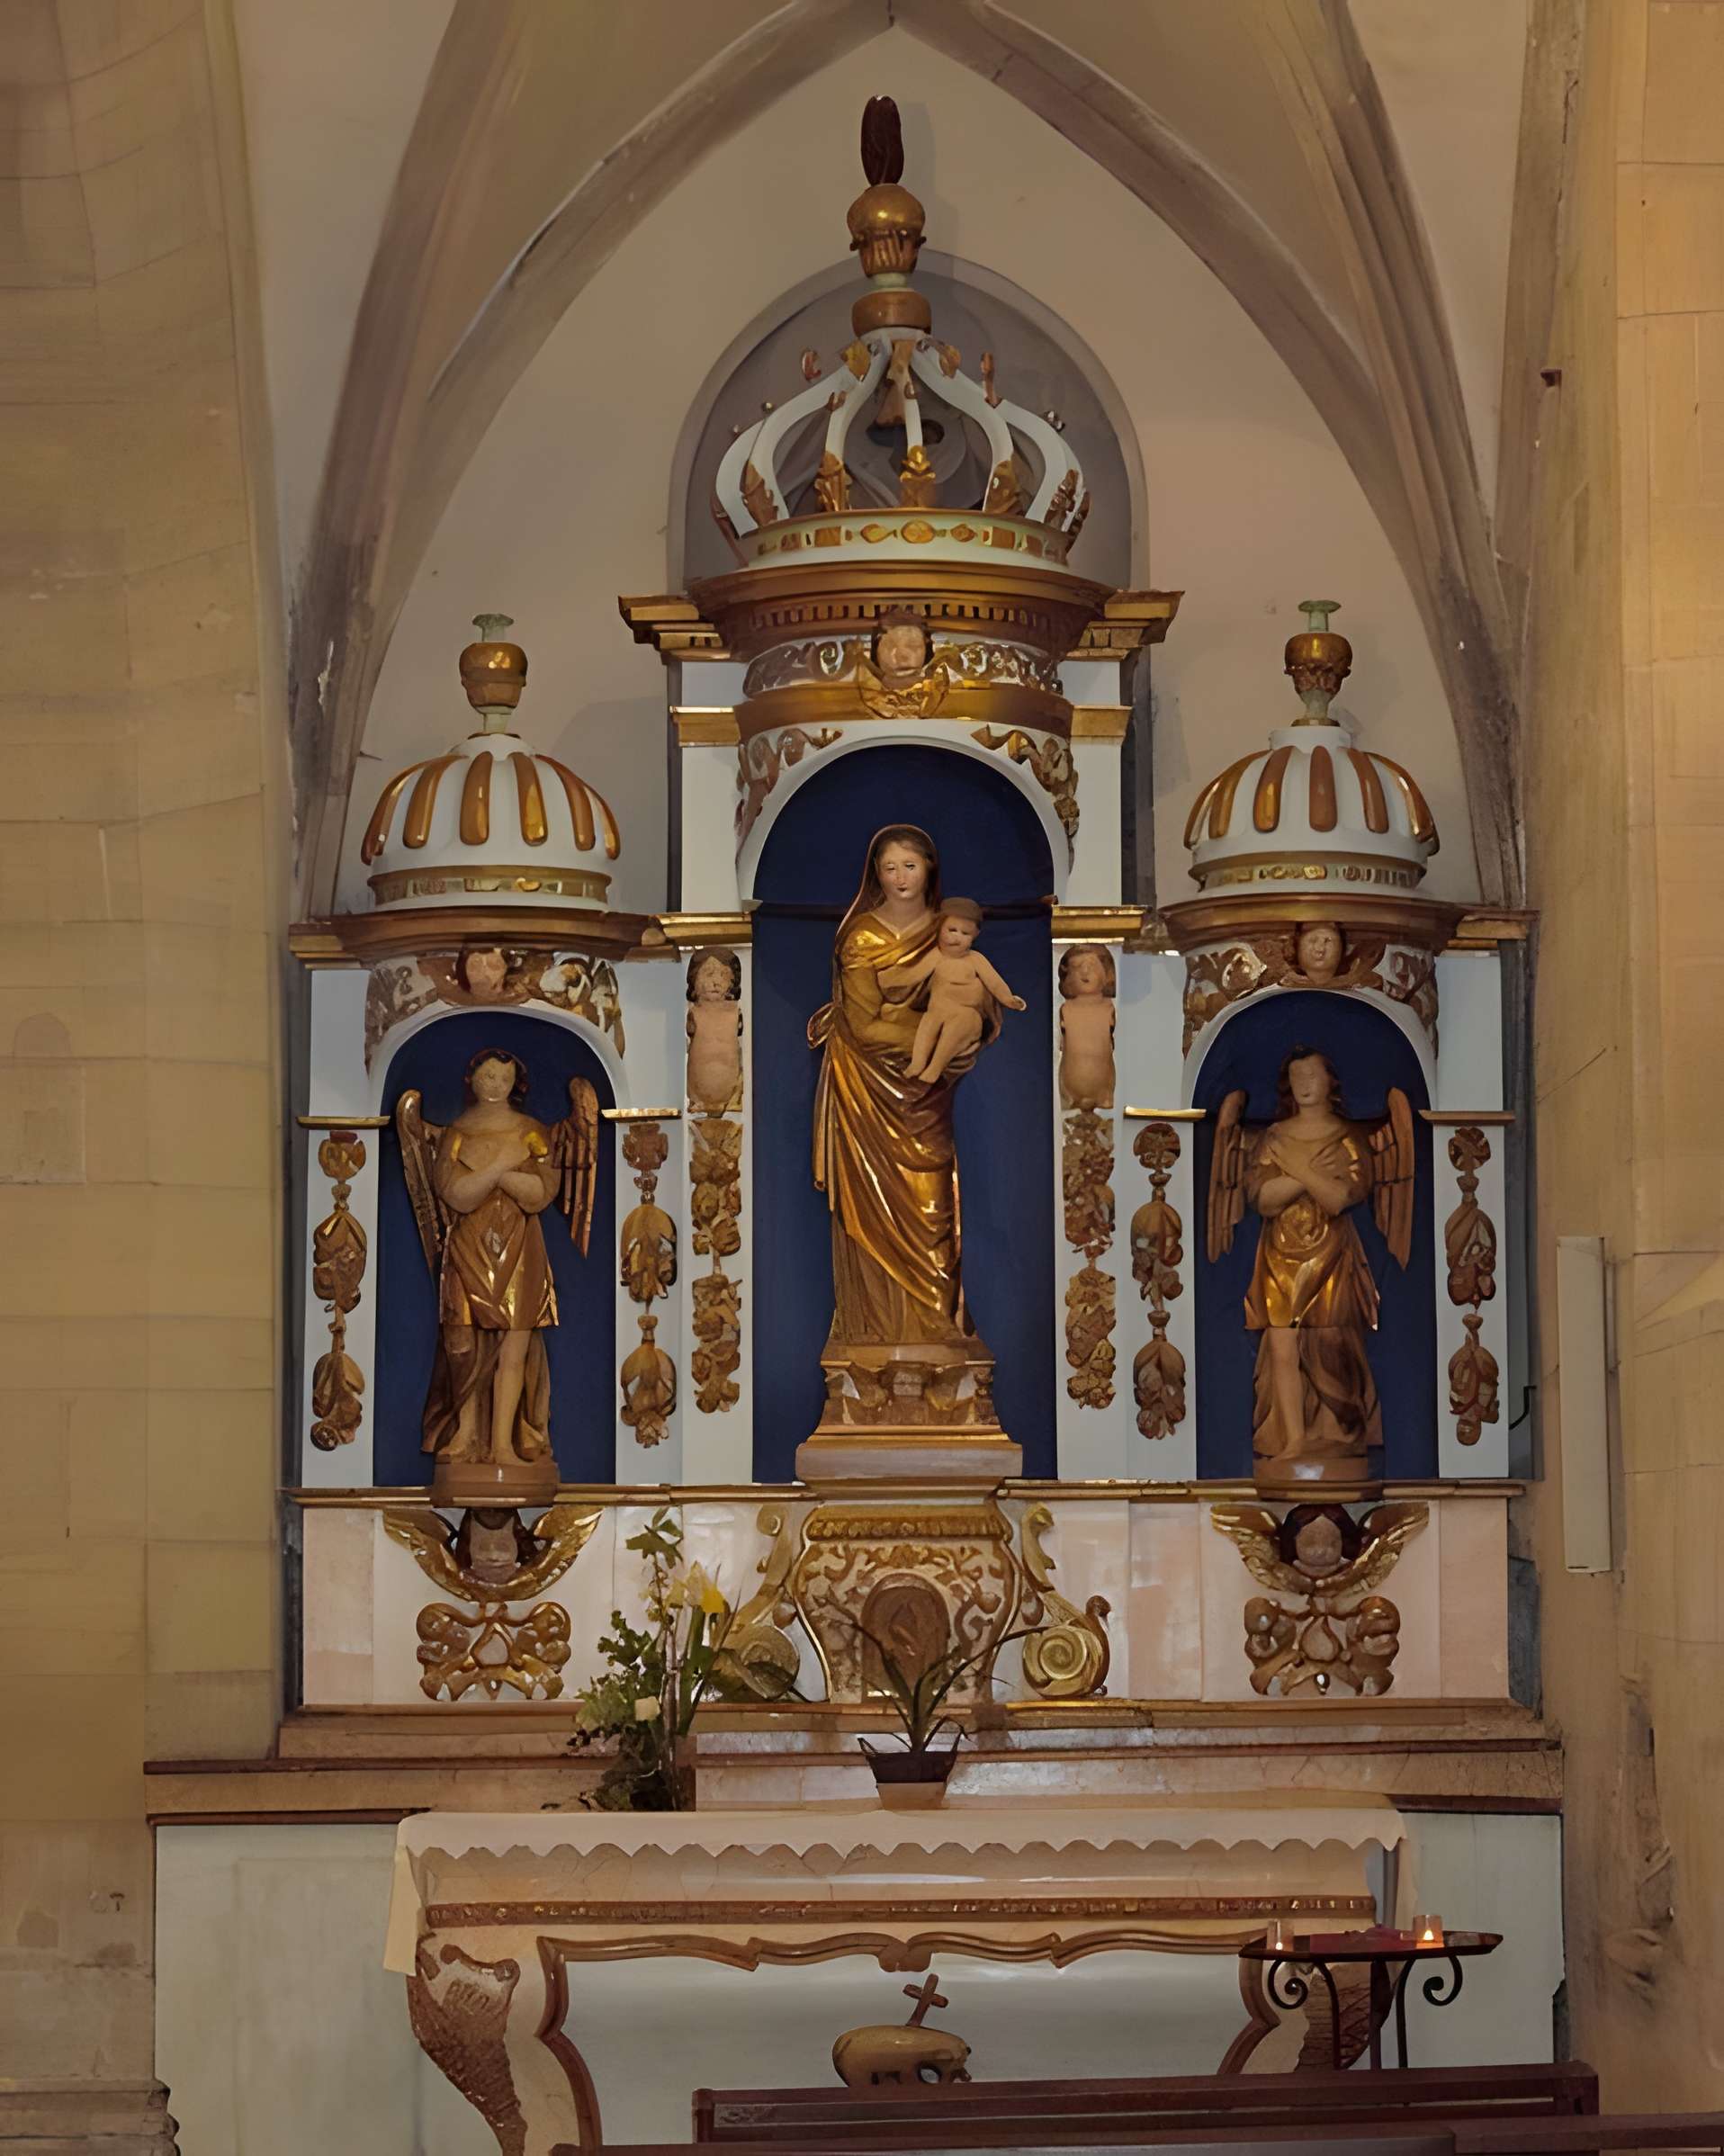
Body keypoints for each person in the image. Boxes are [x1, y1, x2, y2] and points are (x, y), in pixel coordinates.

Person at [809, 825, 994, 1349]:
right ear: (875, 874)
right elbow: (865, 1026)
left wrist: (963, 1029)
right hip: (867, 1094)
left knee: (933, 1204)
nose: (899, 878)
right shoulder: (862, 937)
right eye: (889, 868)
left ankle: (937, 1329)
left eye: (909, 866)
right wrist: (934, 1030)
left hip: (925, 1096)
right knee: (869, 1213)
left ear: (930, 868)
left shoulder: (948, 931)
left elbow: (981, 1002)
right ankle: (874, 1331)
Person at [884, 899, 1026, 1085]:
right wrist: (886, 978)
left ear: (975, 936)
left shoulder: (975, 959)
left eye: (965, 933)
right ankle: (917, 1064)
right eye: (952, 930)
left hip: (966, 1016)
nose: (957, 937)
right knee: (927, 1024)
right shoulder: (935, 957)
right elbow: (913, 974)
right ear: (939, 928)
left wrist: (1009, 999)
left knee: (958, 1025)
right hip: (937, 1012)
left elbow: (994, 982)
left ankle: (934, 1068)